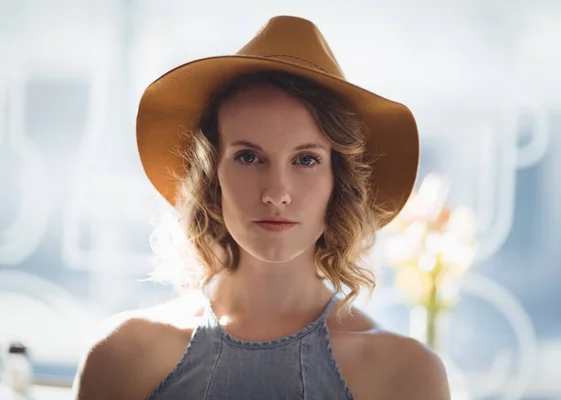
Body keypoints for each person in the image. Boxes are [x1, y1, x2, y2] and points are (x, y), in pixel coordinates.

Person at [72, 15, 451, 400]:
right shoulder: (122, 357)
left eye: (306, 160)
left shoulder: (405, 376)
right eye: (249, 157)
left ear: (340, 183)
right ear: (210, 177)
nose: (277, 193)